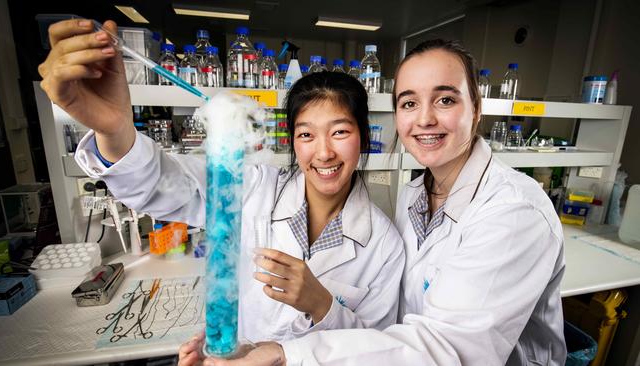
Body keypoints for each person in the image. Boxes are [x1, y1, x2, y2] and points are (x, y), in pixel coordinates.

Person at [178, 40, 567, 365]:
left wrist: (290, 350)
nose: (425, 119)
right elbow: (392, 335)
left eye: (446, 100)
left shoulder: (513, 213)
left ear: (476, 108)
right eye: (410, 103)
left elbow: (449, 350)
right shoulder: (415, 196)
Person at [38, 20, 405, 344]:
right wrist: (114, 130)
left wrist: (321, 303)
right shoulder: (252, 188)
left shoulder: (385, 244)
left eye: (340, 131)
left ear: (362, 136)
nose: (323, 153)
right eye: (306, 135)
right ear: (292, 141)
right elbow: (159, 187)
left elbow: (375, 349)